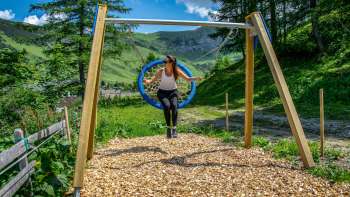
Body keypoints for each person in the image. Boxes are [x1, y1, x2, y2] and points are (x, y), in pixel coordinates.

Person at [143, 55, 201, 138]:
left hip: (173, 92)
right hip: (162, 93)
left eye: (166, 62)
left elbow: (188, 79)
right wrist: (146, 81)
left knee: (174, 106)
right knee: (167, 106)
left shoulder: (176, 71)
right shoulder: (161, 71)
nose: (164, 63)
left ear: (171, 63)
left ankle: (174, 129)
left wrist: (196, 78)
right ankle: (168, 128)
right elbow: (152, 80)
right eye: (164, 61)